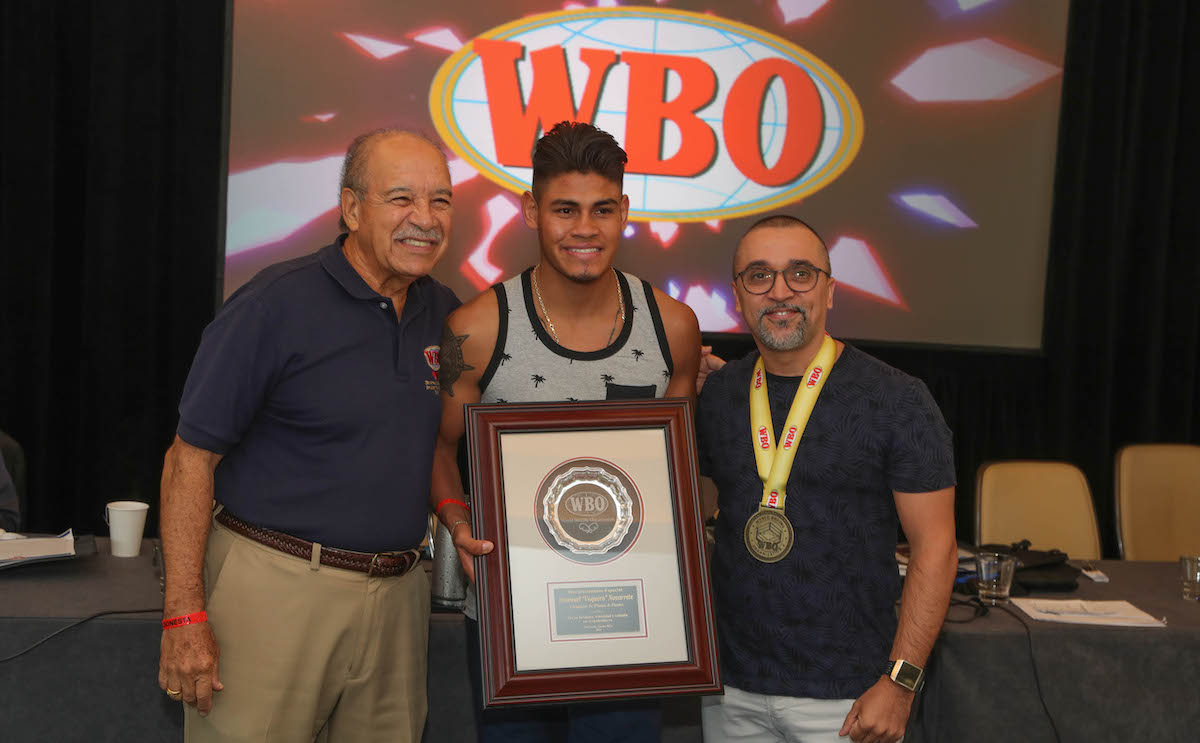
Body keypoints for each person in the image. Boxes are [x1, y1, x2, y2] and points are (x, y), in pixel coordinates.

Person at [157, 129, 462, 742]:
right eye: (401, 199)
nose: (424, 220)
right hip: (276, 591)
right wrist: (184, 612)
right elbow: (187, 461)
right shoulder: (274, 304)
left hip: (401, 601)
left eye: (441, 201)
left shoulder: (445, 313)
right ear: (351, 209)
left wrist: (453, 510)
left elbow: (437, 439)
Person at [431, 120, 702, 742]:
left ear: (625, 211)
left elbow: (678, 475)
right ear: (532, 210)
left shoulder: (673, 328)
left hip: (632, 617)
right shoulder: (477, 329)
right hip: (512, 612)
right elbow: (439, 451)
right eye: (565, 209)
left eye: (602, 210)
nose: (585, 229)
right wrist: (458, 519)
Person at [694, 215, 958, 743]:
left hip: (851, 696)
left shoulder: (898, 400)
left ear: (830, 290)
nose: (780, 292)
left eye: (801, 274)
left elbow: (937, 547)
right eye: (759, 276)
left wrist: (900, 682)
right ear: (738, 296)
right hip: (730, 690)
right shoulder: (720, 395)